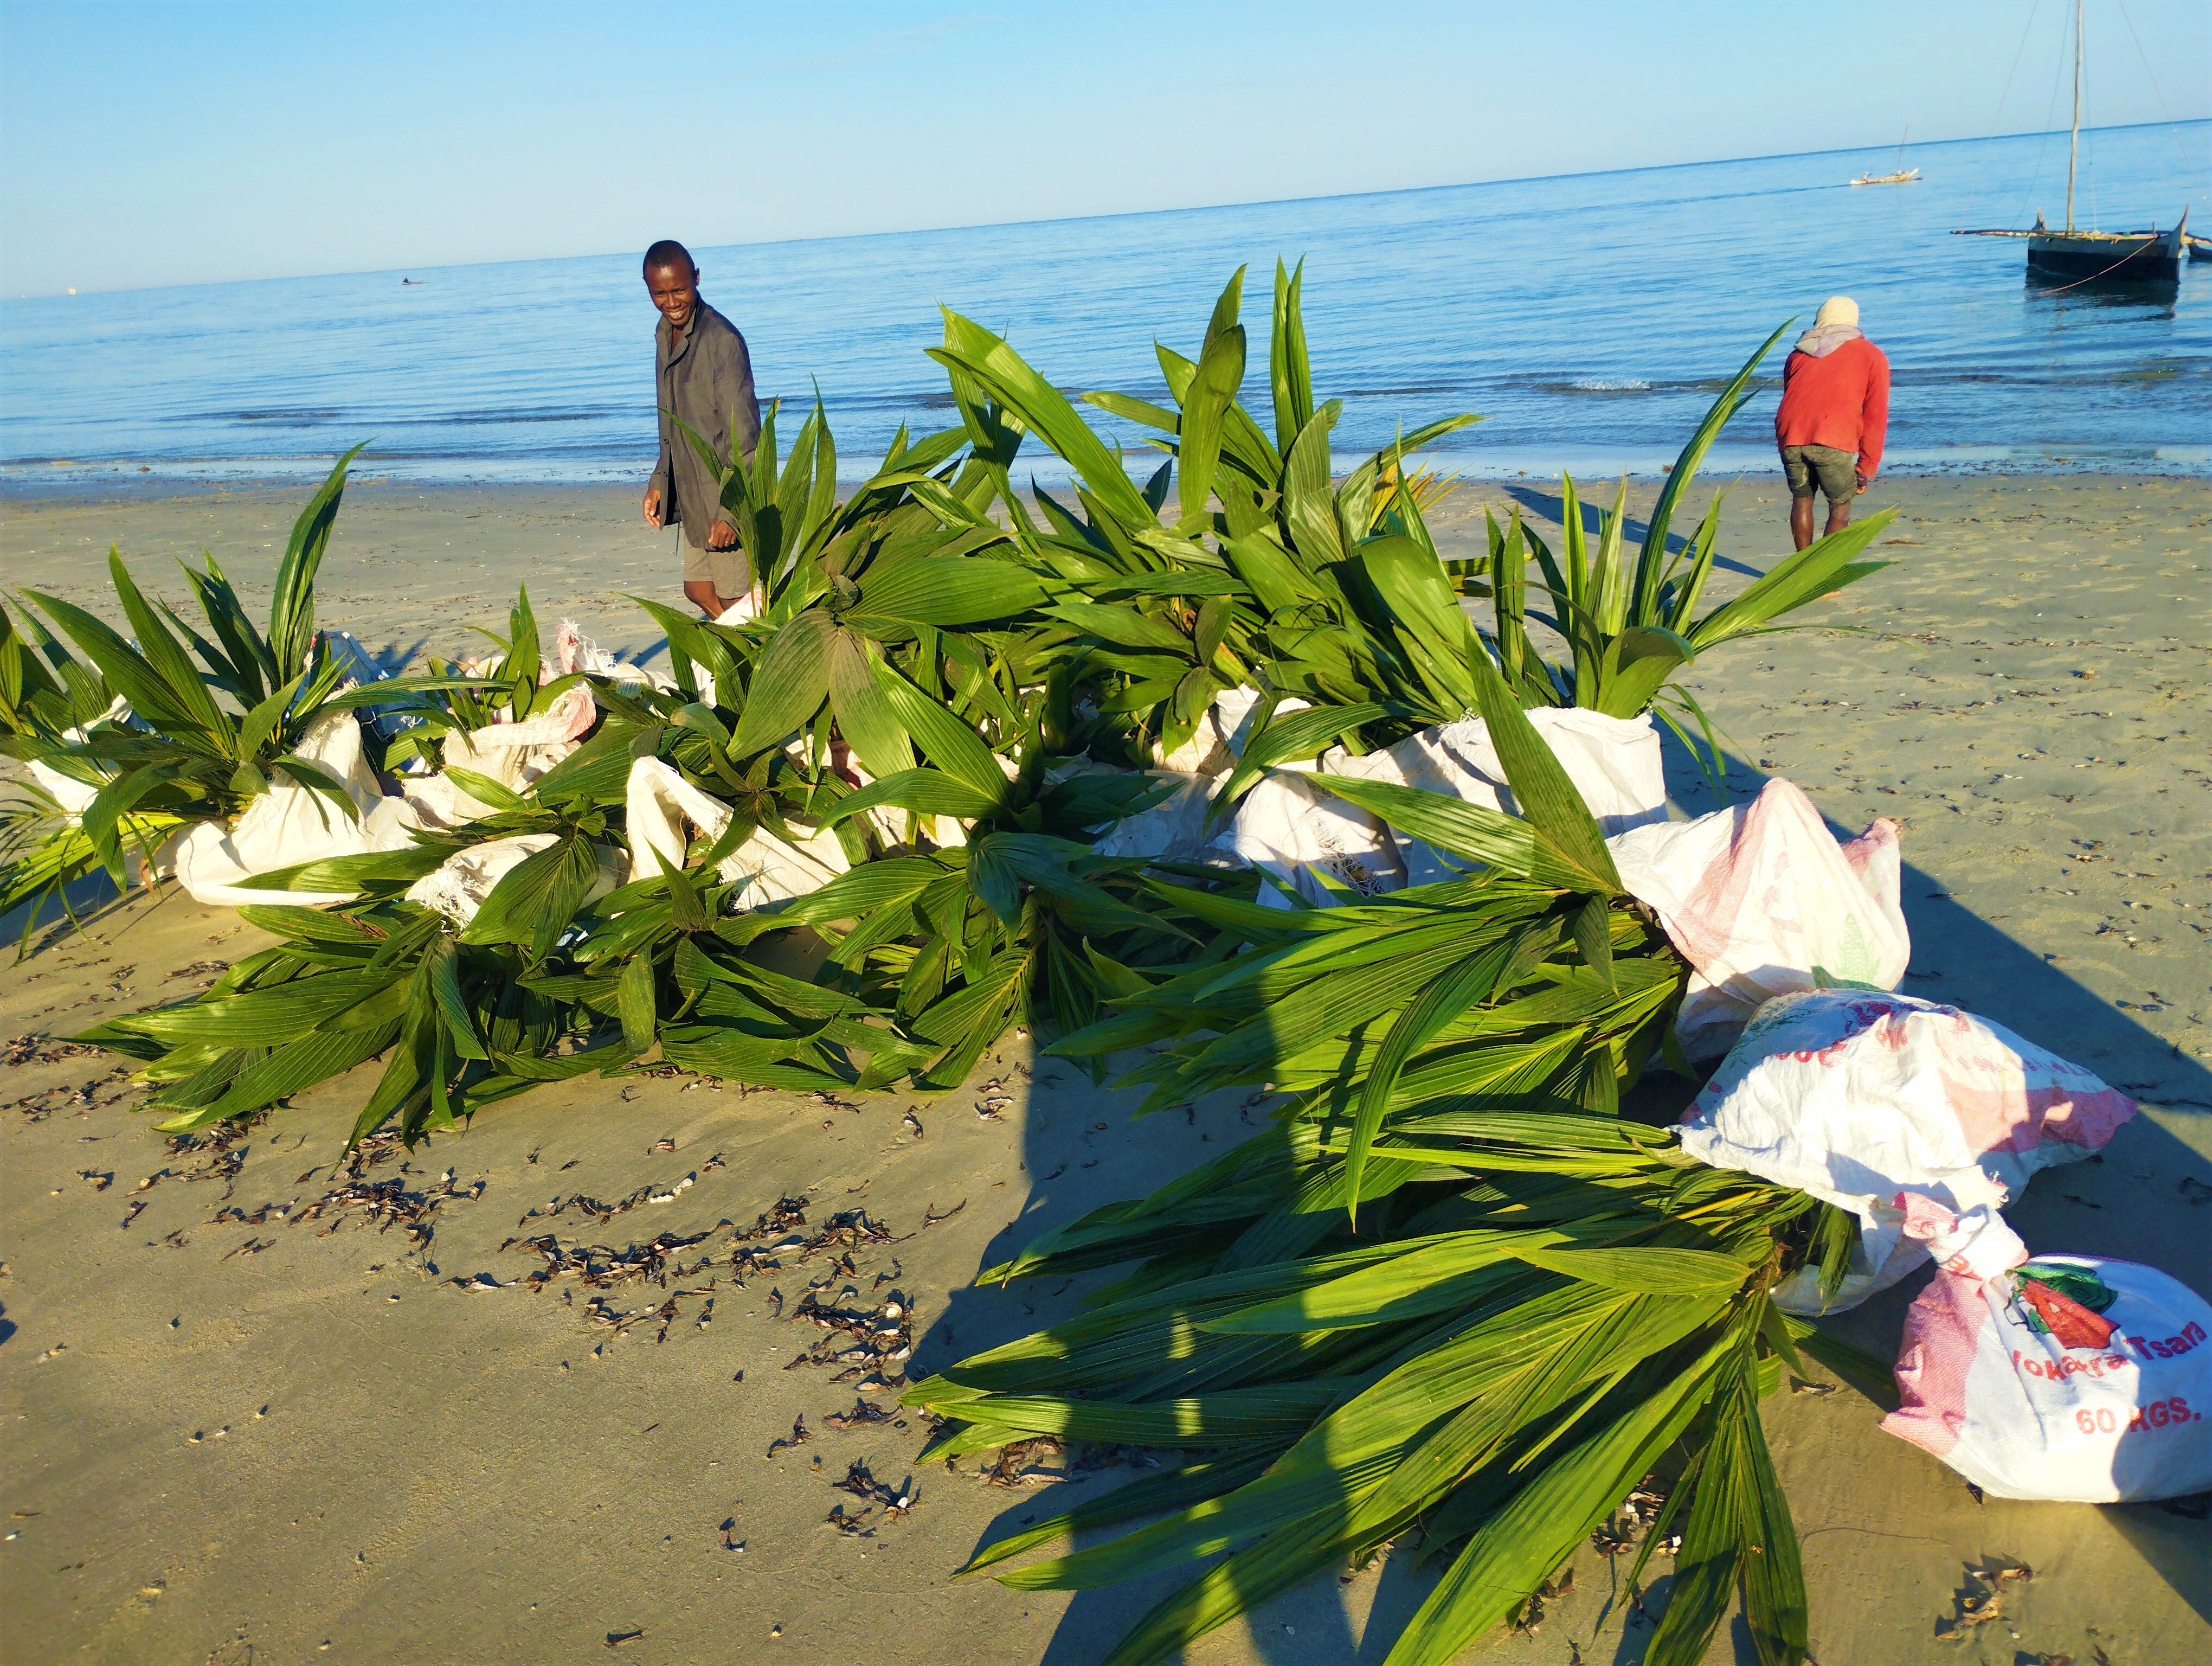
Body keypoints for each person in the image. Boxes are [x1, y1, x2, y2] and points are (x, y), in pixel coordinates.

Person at [640, 239, 761, 617]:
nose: (671, 302)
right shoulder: (664, 335)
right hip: (692, 494)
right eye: (660, 293)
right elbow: (671, 420)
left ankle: (759, 663)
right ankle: (739, 648)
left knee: (735, 599)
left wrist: (731, 511)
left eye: (679, 290)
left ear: (696, 278)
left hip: (725, 493)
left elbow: (746, 439)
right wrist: (660, 480)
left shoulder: (722, 341)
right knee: (697, 589)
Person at [1773, 296, 1889, 550]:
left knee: (1802, 499)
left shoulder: (1797, 354)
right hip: (1832, 435)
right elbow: (1875, 415)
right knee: (1840, 506)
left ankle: (1801, 570)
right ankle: (1821, 575)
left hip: (1791, 434)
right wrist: (1866, 468)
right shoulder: (1872, 355)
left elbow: (1792, 396)